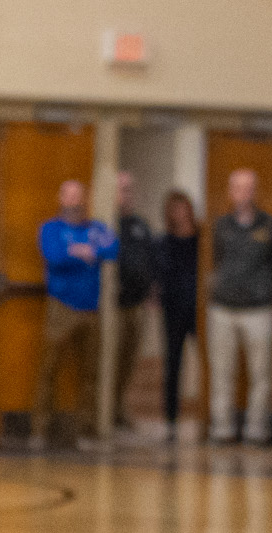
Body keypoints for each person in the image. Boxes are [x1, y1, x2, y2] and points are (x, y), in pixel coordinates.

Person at [33, 178, 116, 449]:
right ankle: (41, 431)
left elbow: (112, 249)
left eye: (77, 195)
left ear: (85, 199)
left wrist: (87, 250)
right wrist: (82, 254)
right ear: (60, 199)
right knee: (49, 368)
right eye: (67, 195)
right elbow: (54, 256)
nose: (73, 201)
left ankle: (85, 432)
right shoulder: (51, 228)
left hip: (91, 309)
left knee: (90, 373)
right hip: (61, 306)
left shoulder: (96, 228)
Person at [208, 168, 272, 444]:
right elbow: (217, 260)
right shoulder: (221, 225)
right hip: (223, 308)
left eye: (249, 187)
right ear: (230, 191)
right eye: (237, 187)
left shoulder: (271, 226)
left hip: (259, 309)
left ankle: (256, 429)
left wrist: (263, 290)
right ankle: (222, 429)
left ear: (256, 191)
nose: (243, 192)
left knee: (261, 373)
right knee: (222, 372)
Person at [154, 190, 200, 440]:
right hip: (172, 309)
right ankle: (170, 419)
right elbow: (157, 275)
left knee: (206, 361)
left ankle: (209, 417)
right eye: (175, 209)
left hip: (198, 307)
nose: (180, 213)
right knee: (173, 363)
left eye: (184, 208)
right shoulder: (163, 243)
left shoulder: (201, 240)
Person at [113, 171, 156, 431]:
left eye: (129, 189)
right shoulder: (105, 224)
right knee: (111, 361)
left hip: (136, 305)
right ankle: (106, 411)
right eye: (121, 189)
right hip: (113, 306)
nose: (125, 194)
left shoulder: (141, 226)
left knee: (129, 361)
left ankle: (120, 408)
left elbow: (150, 261)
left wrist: (151, 290)